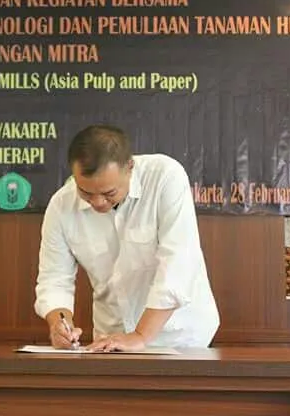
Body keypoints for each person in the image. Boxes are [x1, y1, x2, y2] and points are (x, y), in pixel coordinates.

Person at [34, 124, 219, 350]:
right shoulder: (61, 206)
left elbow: (177, 264)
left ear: (130, 167)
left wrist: (141, 335)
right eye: (86, 192)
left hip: (181, 337)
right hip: (111, 339)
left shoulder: (165, 177)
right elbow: (54, 279)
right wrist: (59, 324)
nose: (97, 203)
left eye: (109, 193)